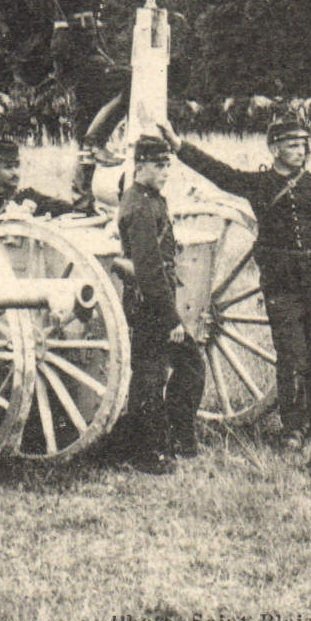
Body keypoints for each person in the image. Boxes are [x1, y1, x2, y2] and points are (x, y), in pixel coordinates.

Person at [163, 119, 311, 449]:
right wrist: (179, 146)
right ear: (275, 149)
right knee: (291, 355)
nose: (300, 151)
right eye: (293, 145)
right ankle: (293, 427)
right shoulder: (260, 185)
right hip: (283, 286)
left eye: (303, 145)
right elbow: (219, 172)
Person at [113, 135, 205, 473]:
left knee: (167, 371)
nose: (166, 171)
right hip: (149, 304)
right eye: (158, 164)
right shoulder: (138, 206)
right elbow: (149, 270)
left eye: (168, 164)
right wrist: (172, 320)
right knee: (153, 376)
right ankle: (150, 453)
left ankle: (172, 440)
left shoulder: (149, 199)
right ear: (139, 165)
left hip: (153, 301)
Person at [48, 0, 145, 208]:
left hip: (90, 42)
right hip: (72, 43)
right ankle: (94, 144)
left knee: (88, 116)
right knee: (130, 82)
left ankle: (82, 196)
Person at [0, 138, 73, 228]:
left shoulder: (30, 197)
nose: (15, 172)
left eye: (17, 166)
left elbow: (67, 207)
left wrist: (32, 210)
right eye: (8, 167)